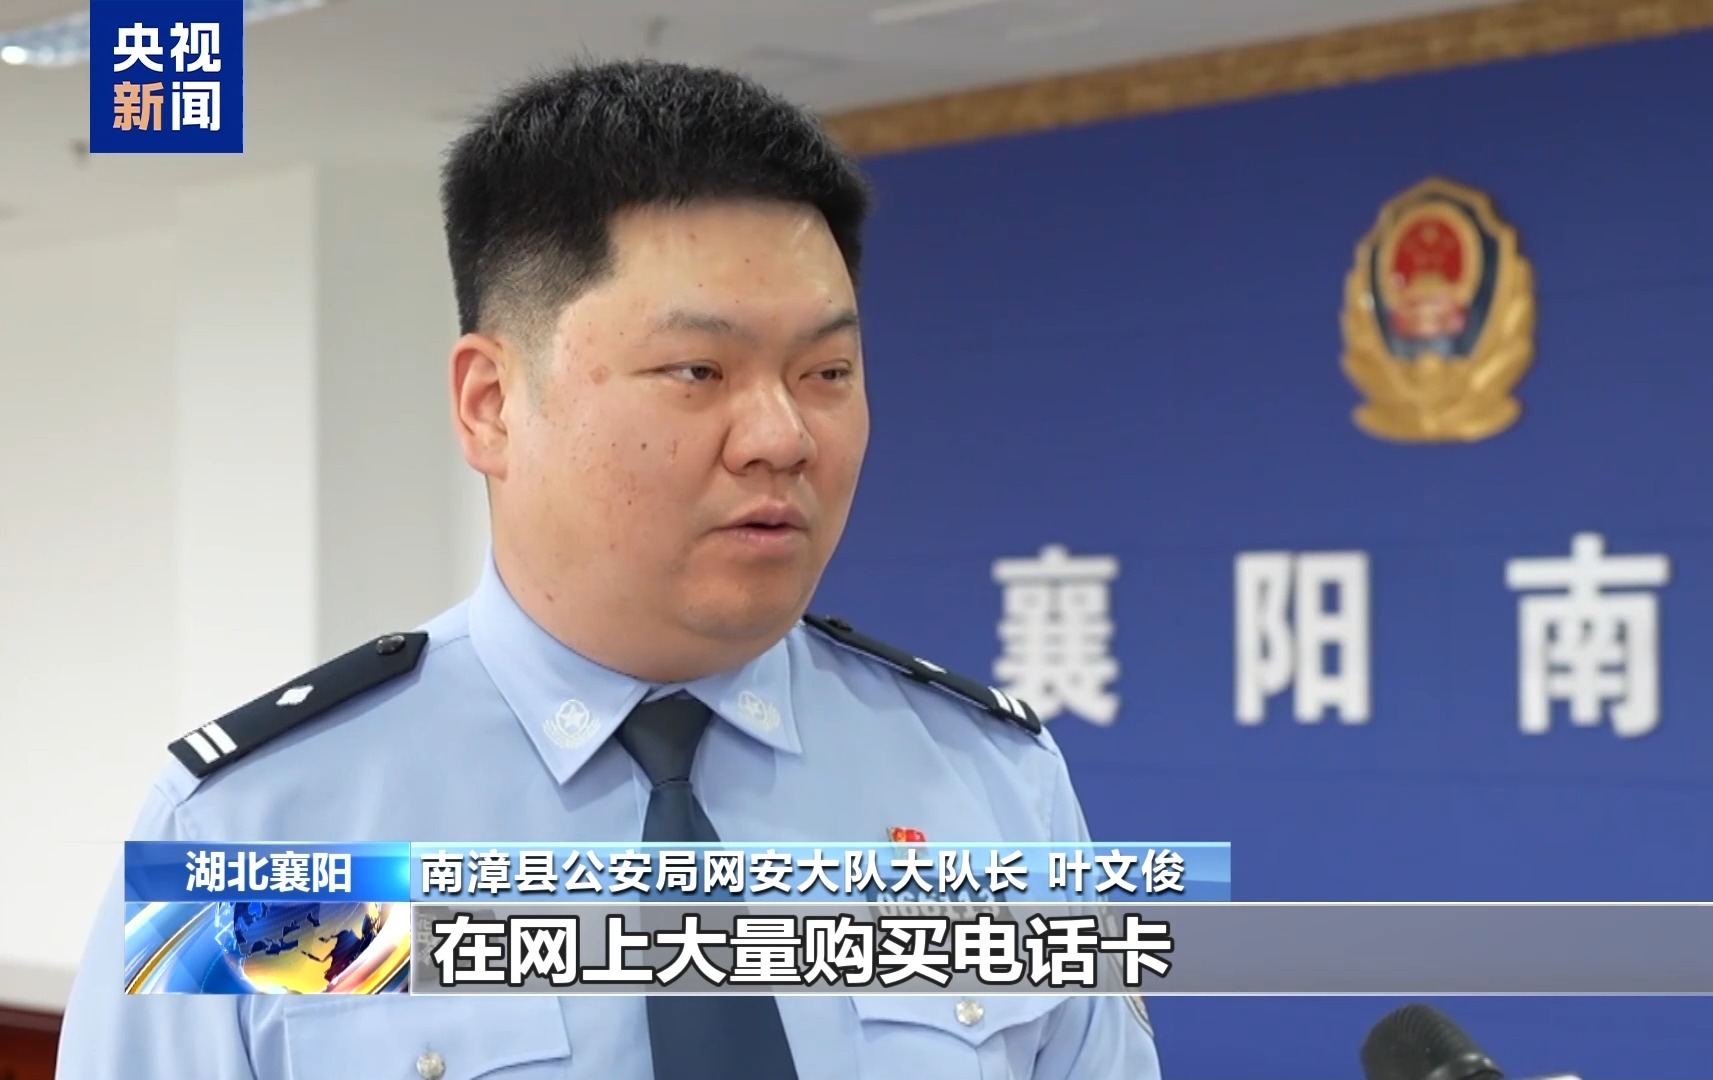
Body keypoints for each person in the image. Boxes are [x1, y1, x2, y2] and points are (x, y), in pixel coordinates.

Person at [55, 59, 1162, 1080]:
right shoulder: (256, 836)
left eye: (826, 371)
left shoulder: (990, 788)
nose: (781, 437)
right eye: (698, 371)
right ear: (491, 404)